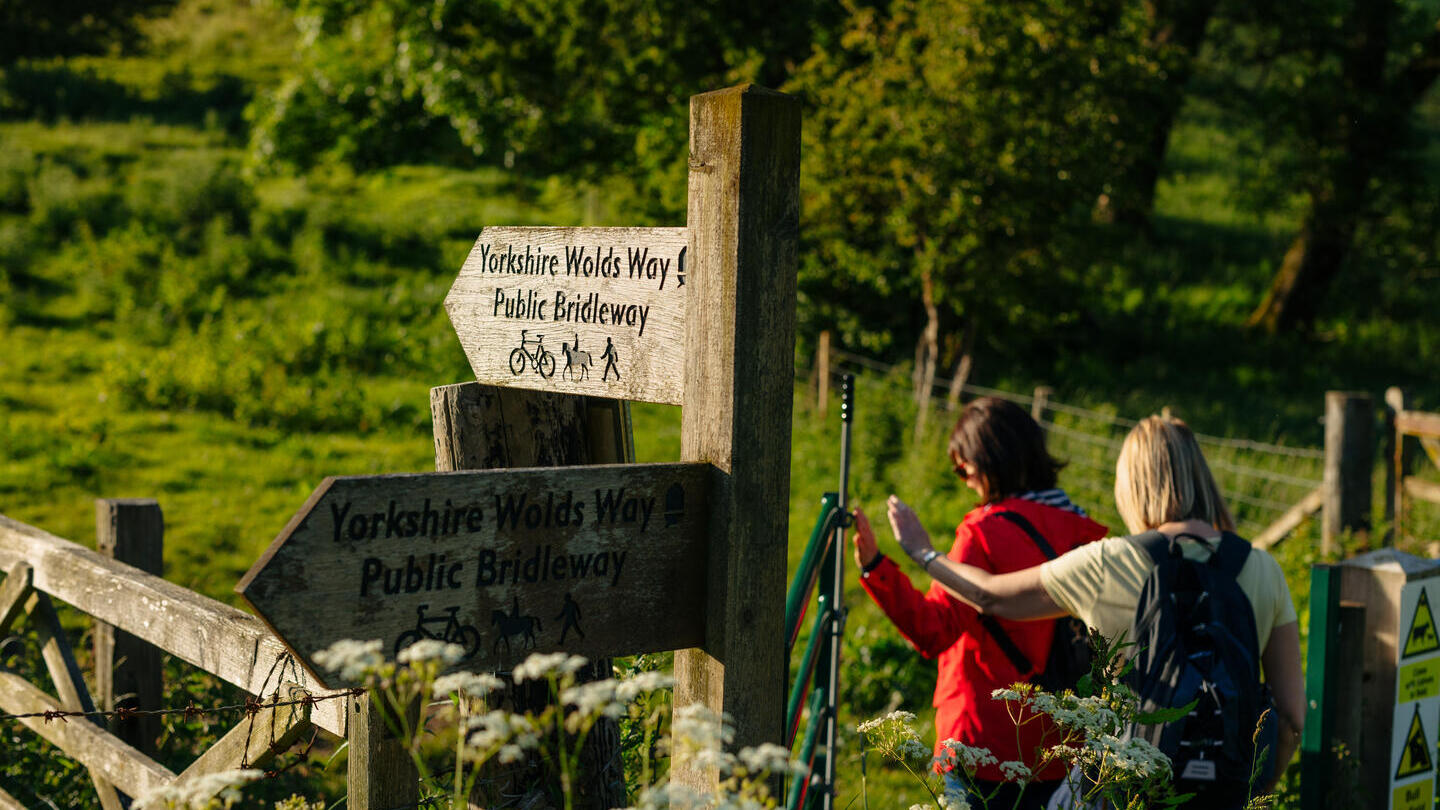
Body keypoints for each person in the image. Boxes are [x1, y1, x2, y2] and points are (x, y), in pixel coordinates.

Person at [882, 415, 1305, 801]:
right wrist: (1256, 787)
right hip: (1224, 785)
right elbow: (1290, 717)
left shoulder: (1107, 563)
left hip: (1127, 790)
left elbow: (991, 595)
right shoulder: (1262, 569)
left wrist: (923, 553)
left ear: (1131, 484)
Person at [853, 397, 1108, 809]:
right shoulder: (1087, 533)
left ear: (990, 460)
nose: (962, 479)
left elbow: (933, 629)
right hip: (1063, 745)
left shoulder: (983, 532)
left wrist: (875, 567)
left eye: (963, 466)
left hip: (982, 743)